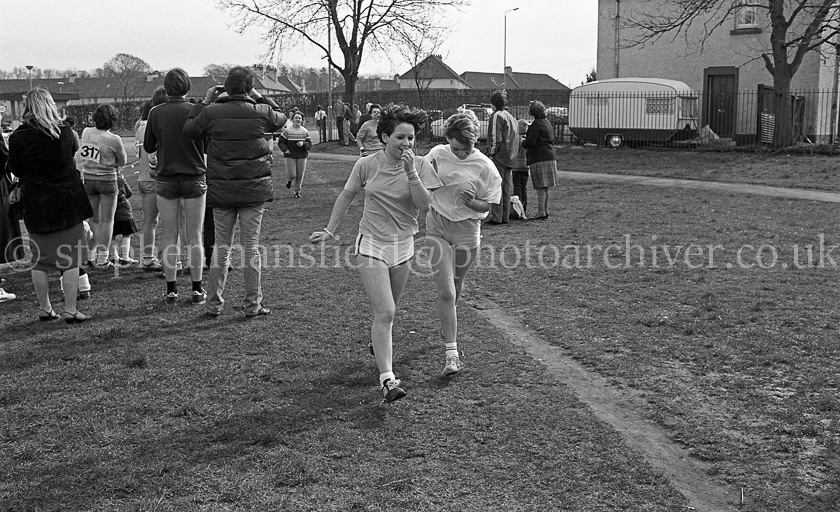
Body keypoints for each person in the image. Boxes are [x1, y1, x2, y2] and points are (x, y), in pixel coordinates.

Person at [310, 104, 443, 403]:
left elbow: (424, 205)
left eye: (411, 138)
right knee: (386, 311)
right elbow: (346, 196)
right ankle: (387, 380)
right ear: (385, 137)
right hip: (371, 243)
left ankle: (377, 340)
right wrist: (330, 230)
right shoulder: (366, 165)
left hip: (404, 245)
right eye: (400, 137)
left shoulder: (421, 165)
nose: (406, 144)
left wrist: (411, 173)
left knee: (388, 310)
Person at [184, 66, 286, 318]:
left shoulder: (211, 113)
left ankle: (213, 304)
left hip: (222, 190)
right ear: (249, 88)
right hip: (253, 190)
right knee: (251, 247)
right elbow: (281, 118)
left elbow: (189, 130)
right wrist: (260, 96)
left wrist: (204, 101)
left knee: (221, 247)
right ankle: (252, 304)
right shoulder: (260, 112)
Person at [7, 87, 94, 323]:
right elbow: (71, 154)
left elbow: (16, 169)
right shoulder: (65, 132)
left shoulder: (17, 137)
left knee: (40, 261)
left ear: (27, 107)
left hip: (37, 204)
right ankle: (70, 309)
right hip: (68, 202)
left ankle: (45, 308)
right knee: (71, 259)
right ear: (51, 105)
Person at [424, 110, 501, 376]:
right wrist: (429, 185)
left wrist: (472, 202)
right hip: (437, 223)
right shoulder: (436, 154)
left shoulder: (485, 166)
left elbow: (488, 206)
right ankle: (452, 355)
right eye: (454, 148)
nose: (459, 153)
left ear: (474, 142)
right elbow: (421, 183)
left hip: (467, 229)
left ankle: (448, 319)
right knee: (445, 291)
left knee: (456, 284)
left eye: (464, 149)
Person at [144, 68, 207, 305]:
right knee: (195, 235)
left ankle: (171, 290)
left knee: (169, 235)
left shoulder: (156, 112)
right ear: (187, 87)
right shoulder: (196, 110)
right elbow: (206, 143)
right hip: (194, 176)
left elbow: (149, 146)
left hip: (167, 177)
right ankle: (197, 288)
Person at [78, 103, 127, 267]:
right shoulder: (114, 139)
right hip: (107, 180)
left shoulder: (86, 132)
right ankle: (103, 258)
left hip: (89, 178)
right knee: (107, 220)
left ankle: (91, 254)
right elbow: (123, 161)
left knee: (93, 219)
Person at [485, 90, 519, 225]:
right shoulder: (511, 117)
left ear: (493, 103)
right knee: (506, 187)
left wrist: (490, 154)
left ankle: (497, 216)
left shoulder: (496, 116)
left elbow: (495, 138)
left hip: (500, 156)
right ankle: (505, 216)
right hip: (510, 156)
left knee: (496, 185)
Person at [521, 100, 558, 220]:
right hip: (550, 155)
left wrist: (523, 142)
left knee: (540, 186)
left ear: (533, 112)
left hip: (539, 157)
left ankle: (541, 211)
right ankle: (545, 210)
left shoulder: (536, 124)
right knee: (546, 186)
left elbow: (531, 142)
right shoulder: (546, 122)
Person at [278, 111, 312, 198]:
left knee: (300, 176)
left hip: (302, 156)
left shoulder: (305, 131)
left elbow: (309, 145)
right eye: (296, 118)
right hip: (290, 155)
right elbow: (281, 142)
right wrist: (285, 150)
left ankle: (297, 192)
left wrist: (303, 143)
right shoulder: (287, 131)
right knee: (292, 175)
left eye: (299, 118)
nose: (298, 119)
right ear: (292, 119)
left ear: (302, 120)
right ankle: (289, 180)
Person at [108, 172, 139, 265]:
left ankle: (114, 256)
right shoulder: (120, 180)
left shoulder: (105, 180)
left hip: (111, 212)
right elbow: (129, 193)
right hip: (124, 211)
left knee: (112, 235)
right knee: (127, 234)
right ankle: (125, 257)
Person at [511, 118, 530, 218]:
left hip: (517, 166)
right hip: (526, 166)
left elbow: (514, 152)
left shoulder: (516, 139)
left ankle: (517, 209)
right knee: (524, 188)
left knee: (517, 188)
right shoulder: (527, 139)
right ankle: (524, 208)